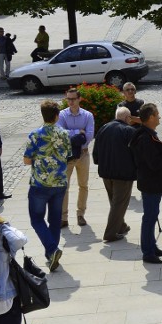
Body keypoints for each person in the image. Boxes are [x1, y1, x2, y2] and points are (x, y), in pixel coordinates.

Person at [128, 103, 162, 265]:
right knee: (149, 217)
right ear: (150, 118)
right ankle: (148, 252)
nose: (159, 117)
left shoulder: (146, 134)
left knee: (152, 215)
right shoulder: (145, 138)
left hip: (151, 183)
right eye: (157, 115)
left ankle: (152, 246)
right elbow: (155, 163)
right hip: (151, 183)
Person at [24, 100, 71, 271]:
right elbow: (68, 155)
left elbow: (27, 160)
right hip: (59, 182)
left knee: (37, 219)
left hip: (40, 183)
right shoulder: (65, 134)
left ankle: (52, 250)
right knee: (55, 220)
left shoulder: (35, 135)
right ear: (57, 116)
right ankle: (51, 254)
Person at [92, 107, 136, 243]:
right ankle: (110, 233)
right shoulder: (129, 131)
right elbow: (136, 152)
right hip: (123, 174)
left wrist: (99, 162)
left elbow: (96, 152)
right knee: (119, 203)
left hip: (106, 172)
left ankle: (121, 226)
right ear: (127, 118)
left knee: (115, 201)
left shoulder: (103, 128)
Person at [58, 88, 94, 228]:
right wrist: (78, 132)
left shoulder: (87, 115)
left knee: (83, 185)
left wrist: (71, 136)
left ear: (79, 99)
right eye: (68, 99)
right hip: (67, 155)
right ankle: (63, 217)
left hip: (83, 154)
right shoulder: (62, 114)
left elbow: (89, 136)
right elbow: (60, 133)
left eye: (73, 99)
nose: (71, 102)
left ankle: (80, 214)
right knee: (64, 187)